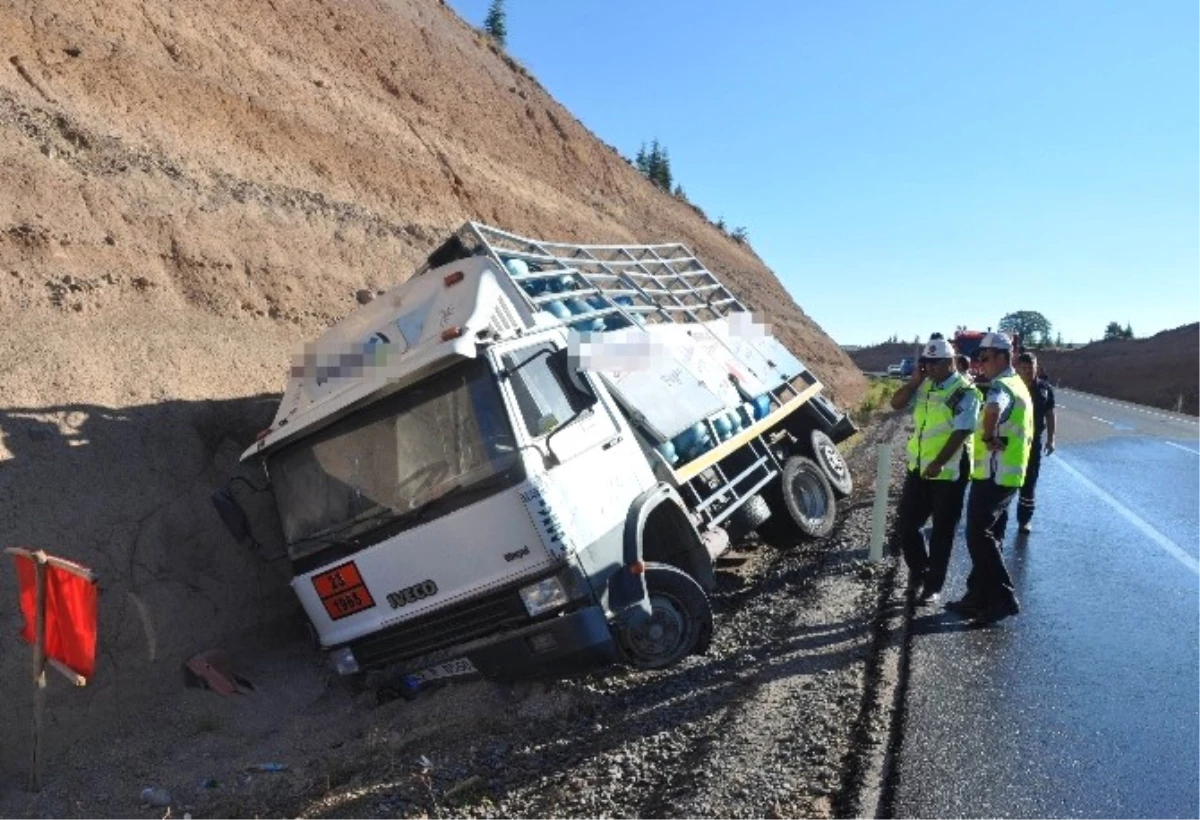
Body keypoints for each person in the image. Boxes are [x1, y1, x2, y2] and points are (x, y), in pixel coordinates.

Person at [946, 332, 1033, 623]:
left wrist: (988, 434)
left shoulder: (1001, 386)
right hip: (1007, 473)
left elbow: (993, 408)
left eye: (983, 358)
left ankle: (1003, 598)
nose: (979, 364)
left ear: (1000, 357)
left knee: (978, 533)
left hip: (995, 474)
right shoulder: (1017, 382)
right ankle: (977, 596)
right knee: (991, 535)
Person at [888, 335, 980, 605]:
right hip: (919, 467)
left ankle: (933, 586)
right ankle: (919, 571)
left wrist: (939, 462)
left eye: (935, 364)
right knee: (907, 526)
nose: (930, 368)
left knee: (942, 531)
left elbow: (962, 430)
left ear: (950, 362)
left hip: (949, 471)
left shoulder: (965, 391)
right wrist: (915, 380)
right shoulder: (926, 385)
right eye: (926, 364)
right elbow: (896, 403)